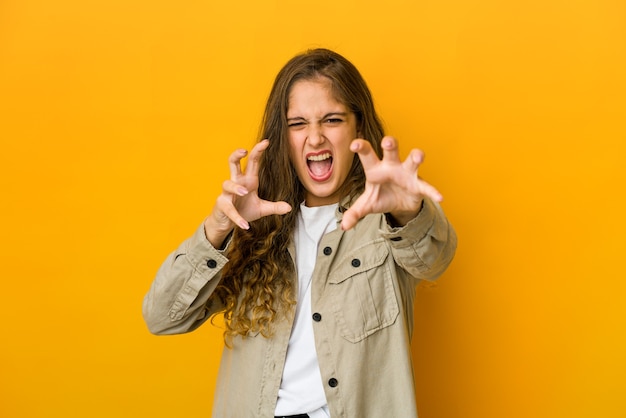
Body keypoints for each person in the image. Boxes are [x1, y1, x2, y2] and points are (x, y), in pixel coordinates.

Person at [143, 48, 457, 418]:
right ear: (282, 137)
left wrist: (407, 210)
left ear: (359, 126)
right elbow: (163, 317)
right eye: (298, 124)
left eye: (332, 119)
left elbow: (434, 257)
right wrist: (218, 229)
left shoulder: (385, 220)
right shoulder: (254, 227)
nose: (315, 138)